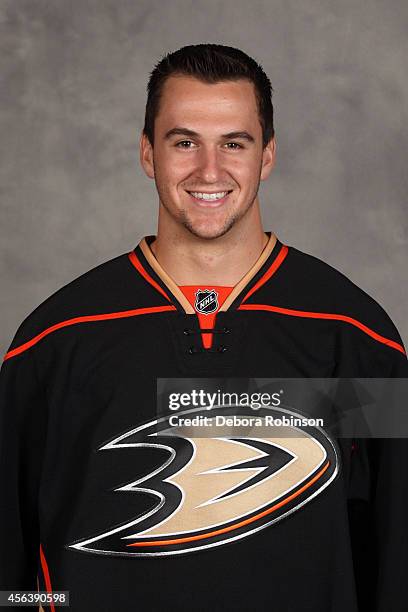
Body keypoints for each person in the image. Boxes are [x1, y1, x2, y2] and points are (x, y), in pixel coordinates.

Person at [0, 43, 407, 612]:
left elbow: (395, 560)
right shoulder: (57, 341)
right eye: (184, 141)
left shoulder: (354, 337)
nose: (208, 171)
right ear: (148, 153)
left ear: (267, 156)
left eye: (234, 144)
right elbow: (9, 571)